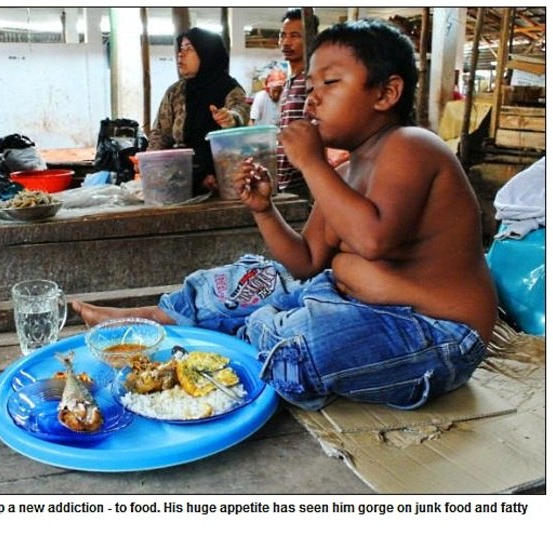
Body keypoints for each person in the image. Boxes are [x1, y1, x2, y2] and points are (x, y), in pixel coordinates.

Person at [73, 19, 498, 412]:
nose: (313, 97)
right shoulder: (347, 171)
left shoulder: (413, 145)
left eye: (331, 82)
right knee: (255, 278)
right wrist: (265, 210)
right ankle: (149, 318)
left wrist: (312, 166)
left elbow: (373, 241)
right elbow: (307, 260)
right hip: (350, 301)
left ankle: (245, 334)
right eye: (311, 84)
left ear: (386, 93)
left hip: (439, 335)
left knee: (307, 340)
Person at [148, 27, 250, 196]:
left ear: (207, 53)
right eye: (180, 49)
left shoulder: (229, 89)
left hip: (221, 182)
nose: (181, 55)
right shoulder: (176, 92)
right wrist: (149, 164)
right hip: (180, 180)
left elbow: (240, 111)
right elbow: (160, 133)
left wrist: (230, 118)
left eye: (188, 49)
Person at [276, 8, 319, 199]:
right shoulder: (289, 82)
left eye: (295, 36)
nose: (286, 42)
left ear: (310, 39)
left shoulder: (312, 80)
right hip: (286, 178)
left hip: (305, 178)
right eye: (283, 35)